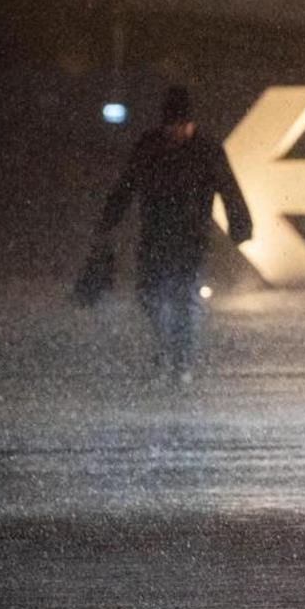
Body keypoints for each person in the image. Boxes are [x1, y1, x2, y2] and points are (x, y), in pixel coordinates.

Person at [91, 86, 252, 385]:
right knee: (151, 296)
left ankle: (179, 360)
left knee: (183, 298)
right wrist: (109, 219)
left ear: (191, 123)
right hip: (156, 235)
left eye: (183, 125)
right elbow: (126, 185)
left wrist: (240, 223)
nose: (179, 131)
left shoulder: (205, 149)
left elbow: (228, 188)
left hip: (191, 238)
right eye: (174, 125)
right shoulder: (151, 147)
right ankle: (170, 354)